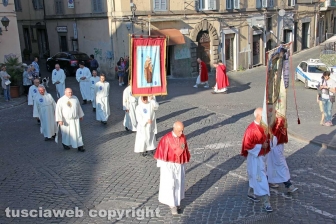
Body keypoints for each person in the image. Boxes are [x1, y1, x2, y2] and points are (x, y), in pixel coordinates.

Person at [154, 121, 191, 215]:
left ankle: (177, 202)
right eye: (179, 131)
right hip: (168, 165)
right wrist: (161, 165)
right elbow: (161, 152)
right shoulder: (166, 139)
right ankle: (172, 205)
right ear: (174, 129)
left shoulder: (183, 137)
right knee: (171, 184)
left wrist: (183, 163)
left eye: (182, 130)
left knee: (179, 183)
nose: (181, 133)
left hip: (179, 165)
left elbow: (184, 150)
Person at [241, 107, 272, 212]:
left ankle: (251, 191)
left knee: (256, 176)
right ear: (259, 116)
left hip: (262, 156)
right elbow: (247, 145)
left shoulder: (264, 127)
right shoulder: (251, 129)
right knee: (261, 177)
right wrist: (261, 146)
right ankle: (266, 202)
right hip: (255, 157)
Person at [267, 115, 298, 193]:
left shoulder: (280, 122)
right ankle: (288, 185)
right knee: (281, 166)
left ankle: (270, 180)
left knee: (273, 166)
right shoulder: (277, 123)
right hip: (274, 147)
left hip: (276, 146)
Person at [55, 88, 85, 152]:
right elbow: (58, 111)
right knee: (66, 133)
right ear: (65, 92)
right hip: (66, 120)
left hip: (75, 119)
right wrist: (59, 120)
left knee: (77, 133)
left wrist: (80, 115)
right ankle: (65, 144)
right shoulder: (61, 100)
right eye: (69, 92)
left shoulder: (75, 98)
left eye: (71, 92)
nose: (70, 93)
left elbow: (78, 107)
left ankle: (80, 145)